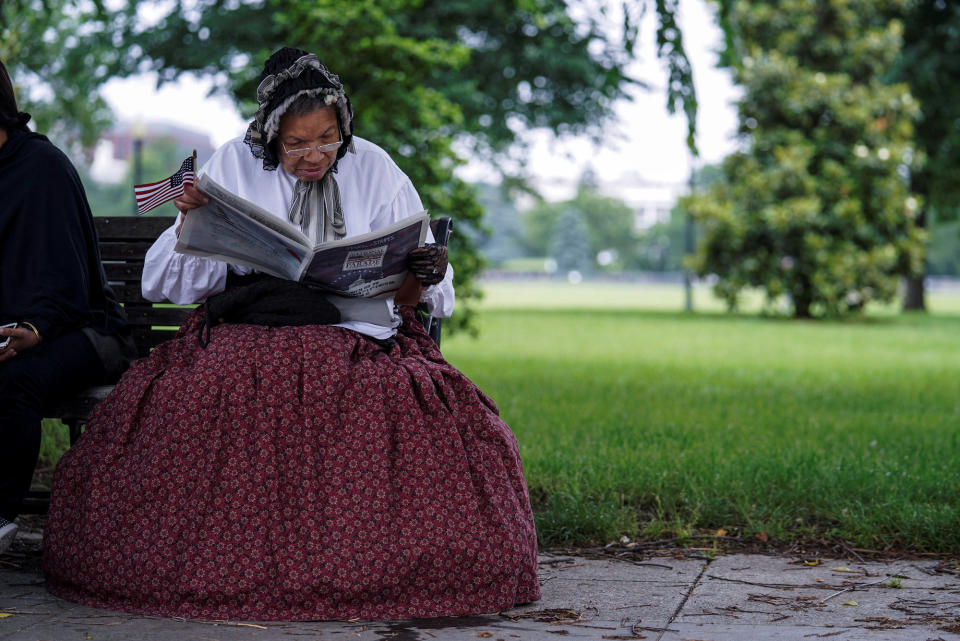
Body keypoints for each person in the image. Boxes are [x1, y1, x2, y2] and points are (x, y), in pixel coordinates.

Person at [43, 47, 540, 620]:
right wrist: (194, 222)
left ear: (344, 128)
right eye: (297, 144)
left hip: (355, 332)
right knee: (219, 391)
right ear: (271, 134)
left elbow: (426, 280)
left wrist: (428, 271)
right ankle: (241, 571)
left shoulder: (374, 166)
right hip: (251, 330)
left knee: (384, 400)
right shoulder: (233, 164)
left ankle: (370, 572)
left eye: (327, 139)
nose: (314, 155)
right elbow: (163, 281)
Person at [0, 60, 136, 555]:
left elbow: (67, 275)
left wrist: (36, 326)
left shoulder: (42, 167)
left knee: (19, 380)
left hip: (84, 331)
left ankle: (3, 514)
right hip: (11, 333)